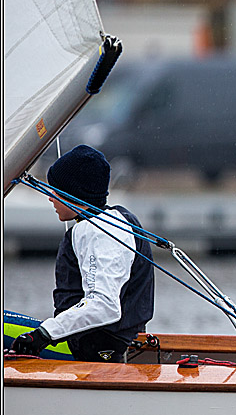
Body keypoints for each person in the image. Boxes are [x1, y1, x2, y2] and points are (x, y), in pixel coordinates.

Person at [11, 145, 154, 362]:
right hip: (92, 342)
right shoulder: (113, 220)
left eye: (56, 191)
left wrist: (42, 335)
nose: (50, 197)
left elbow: (104, 305)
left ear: (74, 193)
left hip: (91, 350)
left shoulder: (99, 231)